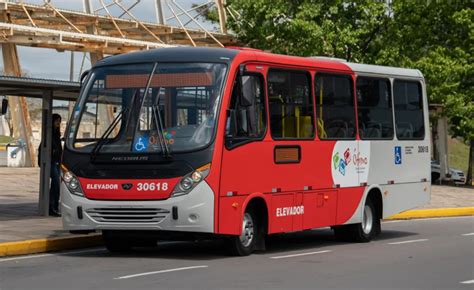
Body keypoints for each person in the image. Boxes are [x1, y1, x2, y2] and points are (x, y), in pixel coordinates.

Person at [38, 113, 63, 217]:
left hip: (57, 162)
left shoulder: (56, 134)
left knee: (57, 184)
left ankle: (54, 206)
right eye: (57, 121)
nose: (58, 123)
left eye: (59, 121)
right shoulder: (48, 134)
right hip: (51, 162)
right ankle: (51, 206)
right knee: (56, 182)